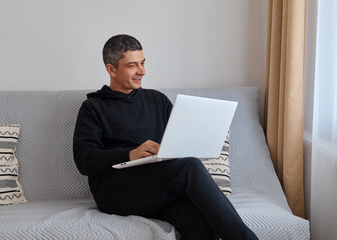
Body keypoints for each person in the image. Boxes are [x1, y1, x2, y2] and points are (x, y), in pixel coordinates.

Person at [73, 34, 258, 240]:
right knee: (190, 167)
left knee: (201, 220)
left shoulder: (157, 100)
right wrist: (130, 154)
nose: (142, 71)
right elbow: (84, 161)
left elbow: (177, 141)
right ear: (111, 69)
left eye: (143, 63)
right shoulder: (93, 107)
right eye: (132, 65)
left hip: (158, 187)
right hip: (115, 192)